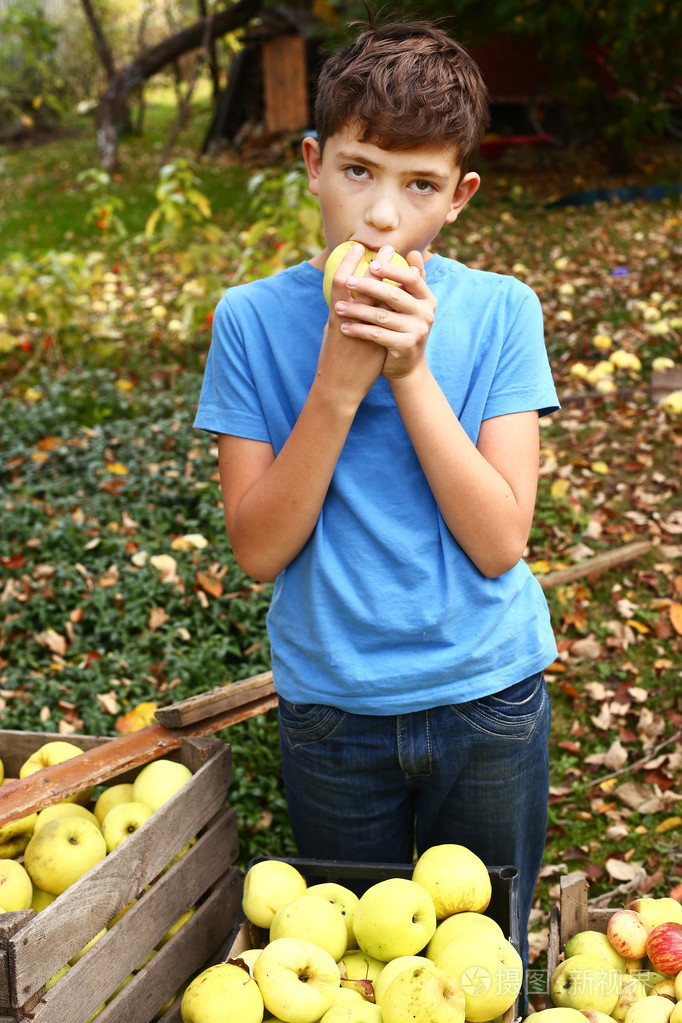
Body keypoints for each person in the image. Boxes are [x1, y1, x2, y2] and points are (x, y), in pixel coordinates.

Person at [194, 18, 559, 991]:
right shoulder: (250, 322)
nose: (383, 216)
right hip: (333, 711)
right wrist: (337, 385)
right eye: (358, 172)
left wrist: (409, 371)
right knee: (357, 977)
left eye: (420, 185)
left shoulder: (502, 311)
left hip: (487, 698)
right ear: (313, 165)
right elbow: (258, 549)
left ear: (459, 196)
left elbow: (500, 542)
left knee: (480, 970)